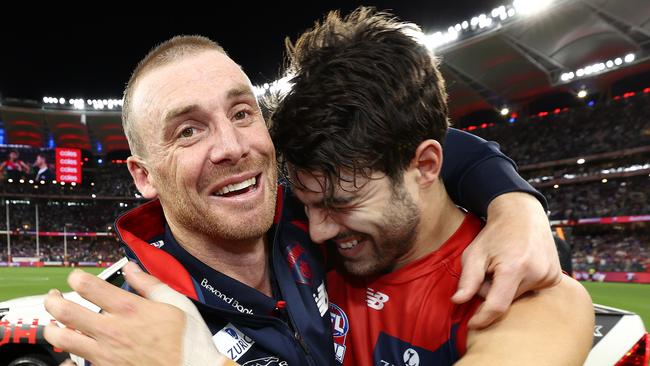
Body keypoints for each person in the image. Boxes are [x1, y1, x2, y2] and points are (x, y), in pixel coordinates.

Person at [44, 33, 560, 365]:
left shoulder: (321, 214)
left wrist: (514, 201)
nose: (233, 147)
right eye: (188, 131)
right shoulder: (131, 332)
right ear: (143, 175)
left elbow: (407, 147)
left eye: (243, 113)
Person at [269, 8, 594, 365]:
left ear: (425, 166)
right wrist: (511, 198)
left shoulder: (521, 297)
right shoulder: (301, 236)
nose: (317, 231)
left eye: (341, 203)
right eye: (308, 203)